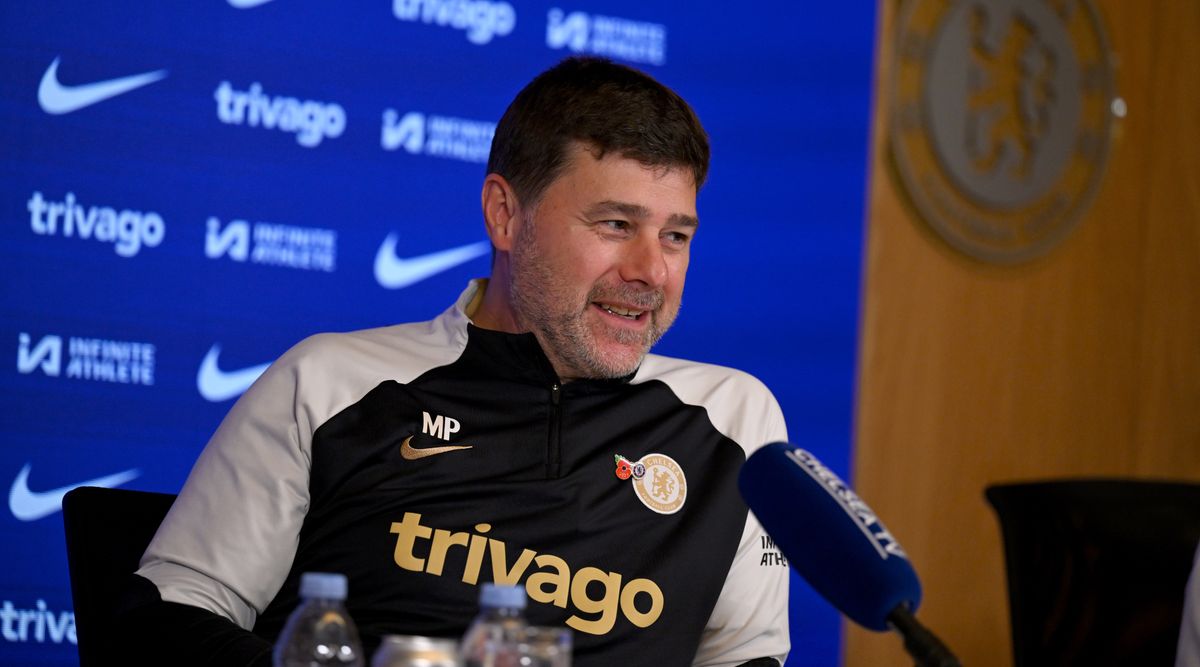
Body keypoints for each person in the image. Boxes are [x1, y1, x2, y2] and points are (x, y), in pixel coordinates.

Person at [123, 56, 790, 666]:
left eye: (676, 235)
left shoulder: (736, 421)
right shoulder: (329, 384)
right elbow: (172, 613)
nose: (652, 270)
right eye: (617, 224)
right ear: (505, 214)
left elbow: (746, 657)